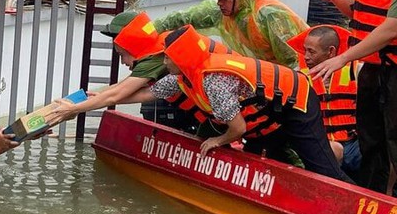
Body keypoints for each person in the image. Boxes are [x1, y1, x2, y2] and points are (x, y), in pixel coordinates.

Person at [150, 25, 353, 183]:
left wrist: (217, 141)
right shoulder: (185, 76)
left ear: (181, 58)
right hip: (272, 115)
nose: (164, 63)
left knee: (323, 169)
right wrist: (116, 97)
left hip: (298, 105)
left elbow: (238, 128)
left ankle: (356, 205)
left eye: (167, 58)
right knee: (258, 162)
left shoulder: (213, 81)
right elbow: (148, 92)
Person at [310, 0, 397, 193]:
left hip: (394, 71)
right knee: (372, 143)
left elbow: (391, 27)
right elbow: (362, 14)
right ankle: (371, 200)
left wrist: (342, 58)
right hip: (373, 71)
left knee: (394, 141)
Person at [49, 11, 212, 130]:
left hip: (222, 112)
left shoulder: (156, 56)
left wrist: (74, 109)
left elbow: (116, 94)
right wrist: (90, 99)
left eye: (122, 55)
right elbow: (130, 91)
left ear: (130, 42)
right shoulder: (157, 55)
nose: (122, 62)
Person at [154, 0, 308, 68]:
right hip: (262, 72)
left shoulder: (270, 15)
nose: (219, 3)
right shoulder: (222, 12)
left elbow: (293, 60)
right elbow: (183, 17)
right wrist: (151, 31)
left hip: (297, 73)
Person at [287, 25, 361, 177]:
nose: (306, 56)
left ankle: (386, 195)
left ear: (331, 52)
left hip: (355, 144)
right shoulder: (299, 78)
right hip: (323, 147)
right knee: (334, 150)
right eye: (305, 50)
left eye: (311, 52)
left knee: (387, 151)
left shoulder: (356, 70)